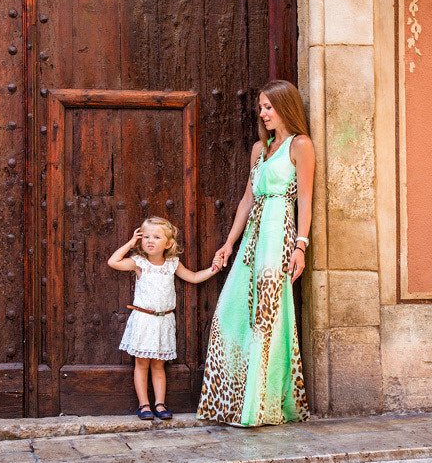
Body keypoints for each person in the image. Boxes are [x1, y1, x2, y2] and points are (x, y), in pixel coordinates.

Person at [197, 80, 315, 426]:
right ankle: (233, 401)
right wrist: (229, 243)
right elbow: (247, 200)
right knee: (230, 312)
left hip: (279, 235)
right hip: (252, 238)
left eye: (268, 107)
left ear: (285, 107)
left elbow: (305, 199)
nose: (263, 114)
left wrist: (301, 246)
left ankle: (260, 405)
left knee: (268, 317)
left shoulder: (301, 145)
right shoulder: (258, 149)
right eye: (260, 108)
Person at [108, 217, 223, 420]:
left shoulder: (172, 264)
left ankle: (160, 403)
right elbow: (113, 262)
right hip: (144, 320)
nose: (150, 240)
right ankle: (144, 405)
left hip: (164, 321)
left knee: (159, 366)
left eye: (157, 237)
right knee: (141, 365)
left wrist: (214, 269)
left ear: (168, 244)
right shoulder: (140, 263)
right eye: (146, 237)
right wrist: (130, 243)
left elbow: (194, 277)